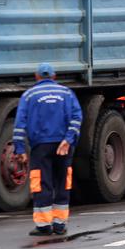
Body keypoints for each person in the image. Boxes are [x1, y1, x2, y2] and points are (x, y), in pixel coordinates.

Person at [13, 63, 83, 236]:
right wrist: (68, 140)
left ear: (36, 76)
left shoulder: (29, 95)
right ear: (54, 76)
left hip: (40, 146)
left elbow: (19, 125)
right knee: (62, 182)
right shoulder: (67, 93)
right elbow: (77, 117)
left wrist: (20, 149)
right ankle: (59, 224)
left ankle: (44, 225)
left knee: (41, 183)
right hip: (63, 146)